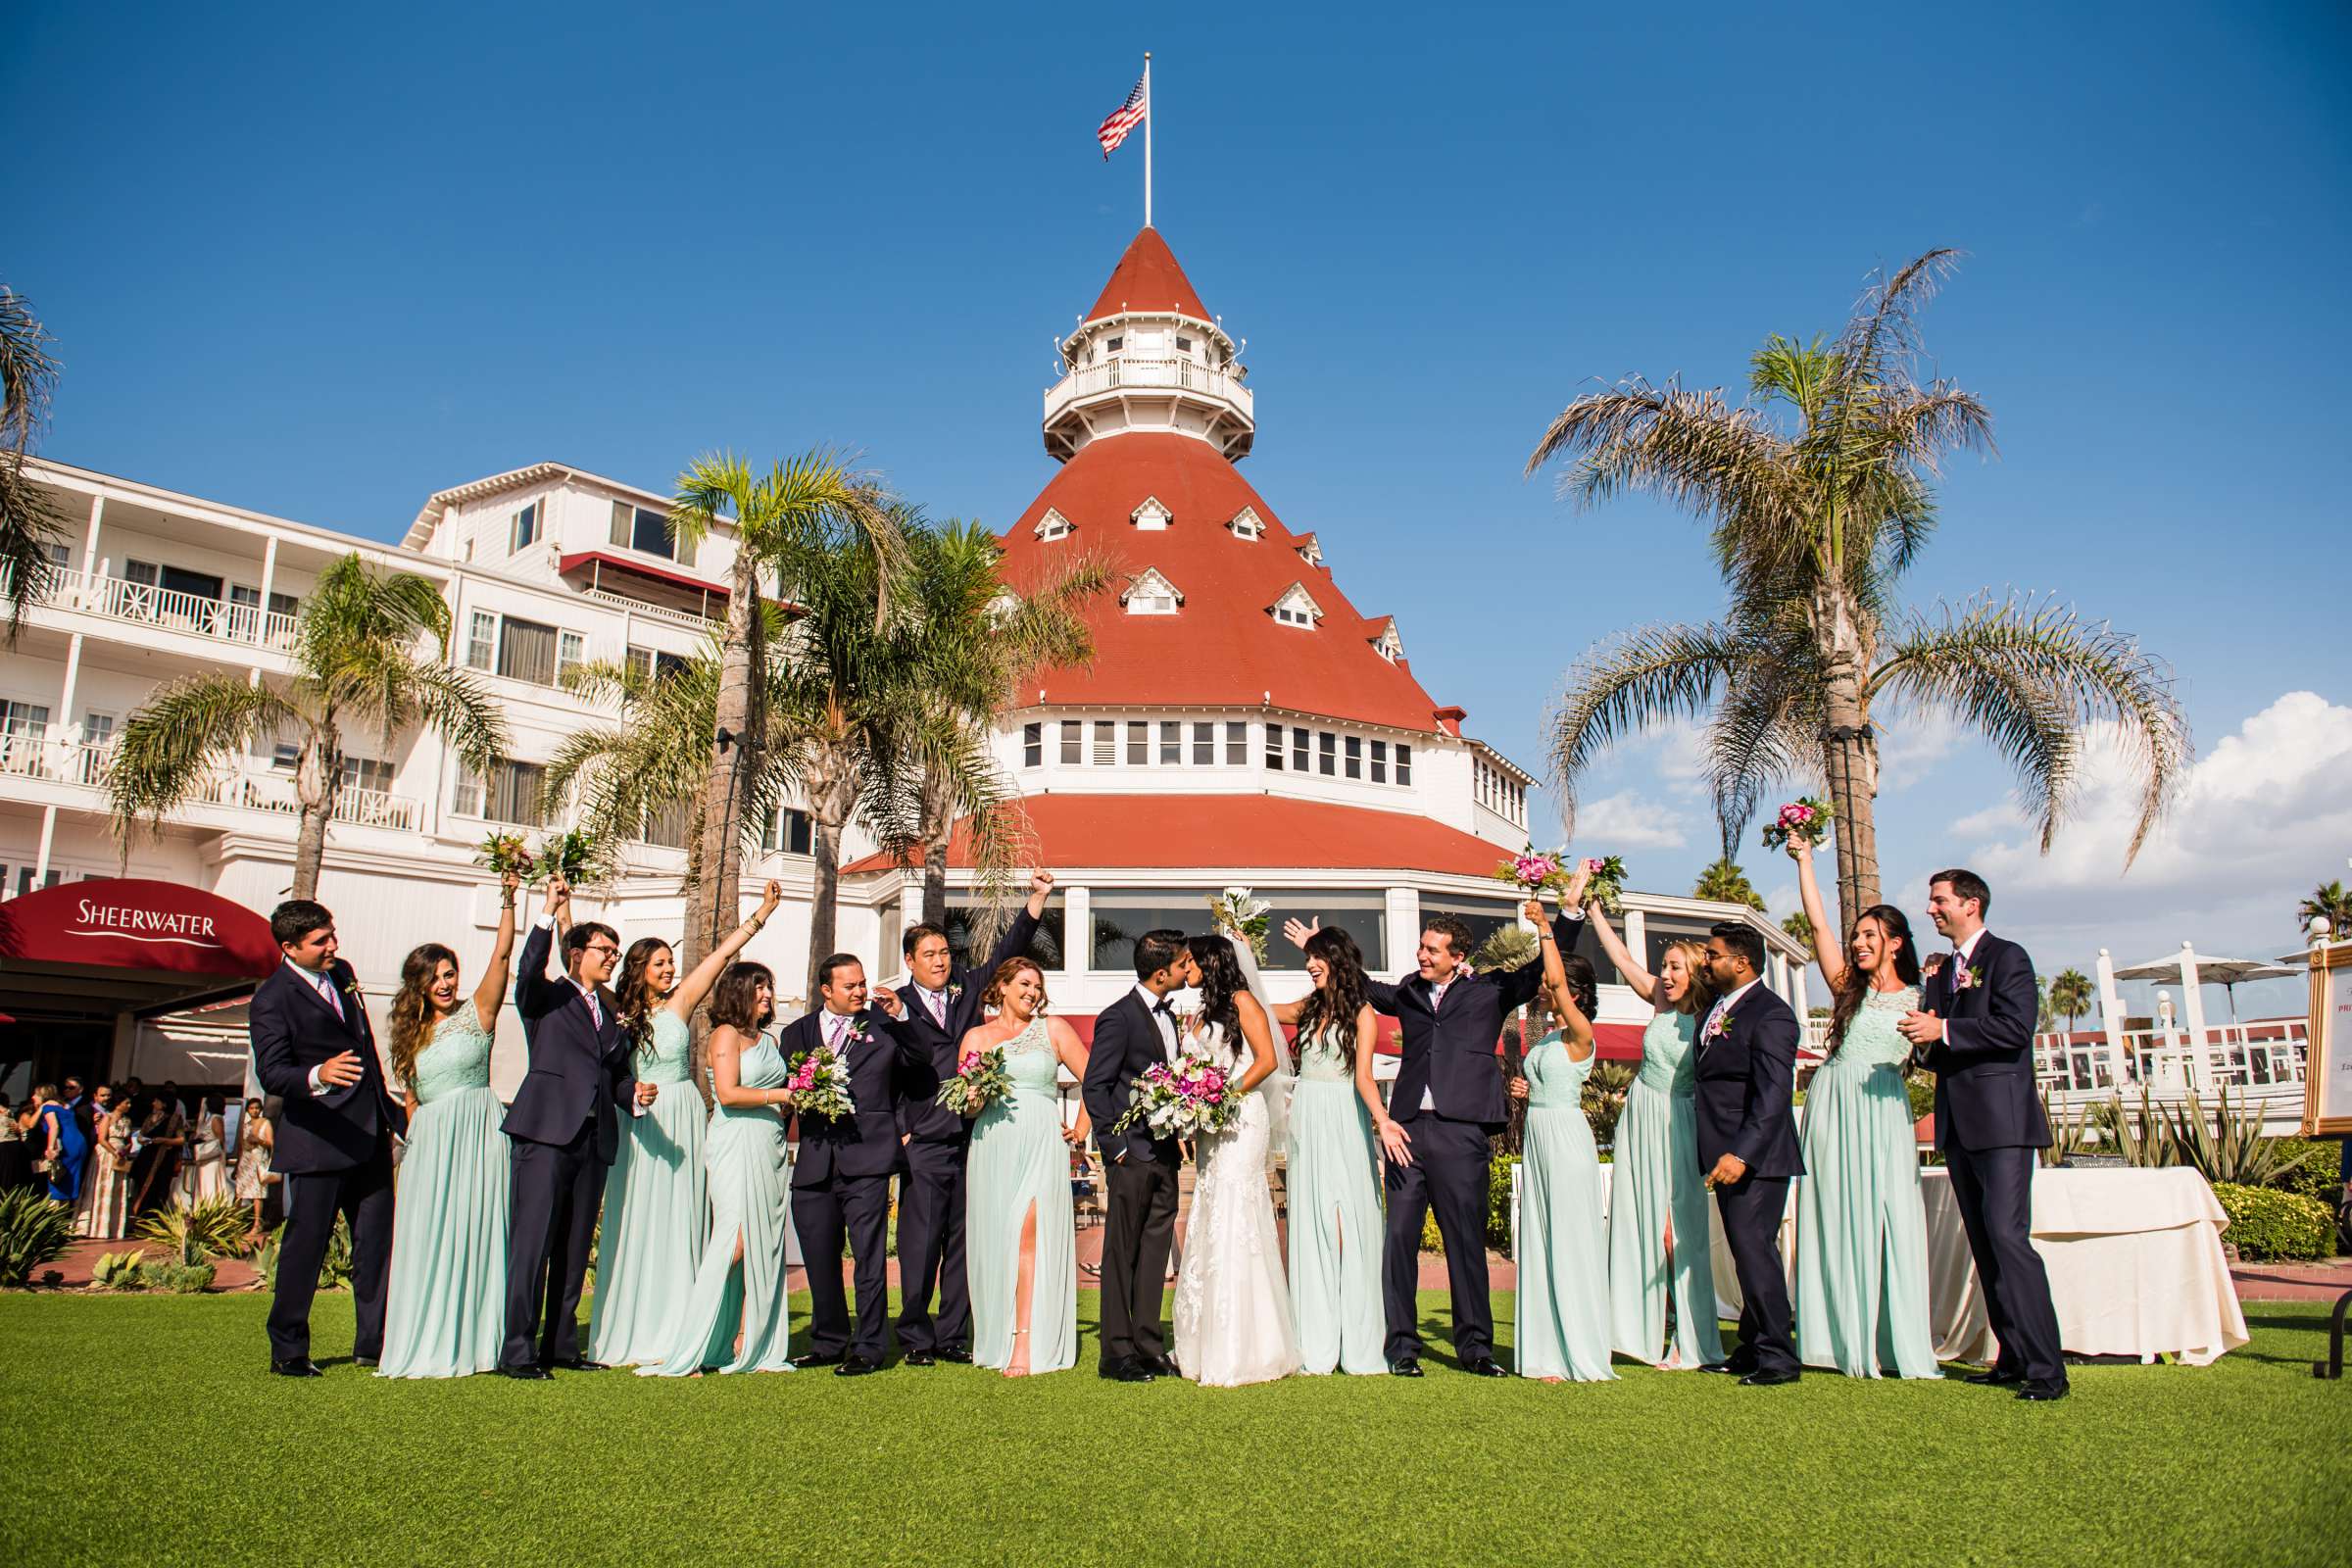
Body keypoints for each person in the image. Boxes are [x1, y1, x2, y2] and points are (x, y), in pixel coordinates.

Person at [1288, 909, 1543, 1378]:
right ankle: (1401, 1347)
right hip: (1405, 1132)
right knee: (1399, 1240)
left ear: (1458, 957)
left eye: (1431, 949)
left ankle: (1476, 1349)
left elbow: (1539, 970)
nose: (1421, 954)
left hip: (1461, 1132)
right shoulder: (1407, 990)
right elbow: (1359, 982)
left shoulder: (1489, 992)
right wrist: (1318, 948)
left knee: (1464, 1242)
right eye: (1421, 946)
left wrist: (1559, 918)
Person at [588, 879, 783, 1367]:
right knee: (639, 1217)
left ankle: (683, 1326)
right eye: (659, 963)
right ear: (638, 971)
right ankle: (635, 1328)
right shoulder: (615, 1014)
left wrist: (761, 916)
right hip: (640, 1121)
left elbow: (719, 958)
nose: (670, 968)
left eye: (669, 962)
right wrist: (565, 920)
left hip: (685, 1117)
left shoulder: (680, 1003)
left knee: (687, 1221)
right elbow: (583, 978)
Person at [1897, 868, 2067, 1401]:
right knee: (1985, 1245)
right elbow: (1936, 1049)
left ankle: (2048, 1369)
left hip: (2003, 1123)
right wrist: (1923, 1036)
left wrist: (1943, 1029)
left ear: (1971, 904)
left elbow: (2015, 1029)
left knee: (2009, 1238)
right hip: (1957, 1123)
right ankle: (2013, 1357)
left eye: (1939, 900)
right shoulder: (1944, 972)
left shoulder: (2007, 958)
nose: (1931, 910)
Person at [1785, 839, 1939, 1379]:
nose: (1857, 943)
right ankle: (1836, 1340)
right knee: (1834, 1213)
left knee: (1890, 1217)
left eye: (1869, 936)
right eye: (1857, 936)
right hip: (1832, 1105)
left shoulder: (1923, 997)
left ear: (1896, 943)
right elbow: (1819, 925)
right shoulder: (1848, 987)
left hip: (1882, 1110)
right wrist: (1806, 861)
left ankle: (1894, 1341)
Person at [890, 870, 1054, 1368]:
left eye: (944, 953)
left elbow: (1011, 950)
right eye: (930, 955)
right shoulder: (893, 1007)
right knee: (920, 1241)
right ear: (910, 962)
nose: (941, 961)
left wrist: (1037, 899)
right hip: (925, 1139)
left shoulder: (969, 987)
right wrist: (903, 1126)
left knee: (966, 1239)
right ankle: (916, 1335)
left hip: (978, 1136)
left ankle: (952, 1333)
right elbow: (886, 1074)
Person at [499, 875, 657, 1380]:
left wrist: (630, 1093)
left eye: (615, 950)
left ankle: (560, 1345)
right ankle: (517, 1351)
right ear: (576, 953)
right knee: (534, 1244)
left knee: (572, 1247)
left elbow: (611, 1075)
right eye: (603, 949)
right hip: (545, 1134)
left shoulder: (608, 1016)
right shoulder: (545, 998)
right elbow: (525, 972)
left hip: (594, 1140)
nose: (611, 956)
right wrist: (548, 909)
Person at [1567, 871, 1722, 1369]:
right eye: (1666, 967)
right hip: (1641, 1116)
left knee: (1677, 1230)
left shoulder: (1711, 1016)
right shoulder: (1657, 997)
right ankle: (1636, 1331)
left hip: (1682, 1121)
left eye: (1677, 967)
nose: (1668, 974)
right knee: (1640, 1223)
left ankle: (1689, 1335)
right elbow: (1621, 958)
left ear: (1697, 972)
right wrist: (1593, 911)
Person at [250, 898, 407, 1377]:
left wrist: (392, 1115)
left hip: (368, 1137)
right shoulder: (271, 998)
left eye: (332, 934)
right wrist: (319, 1073)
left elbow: (366, 1050)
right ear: (289, 947)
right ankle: (289, 1350)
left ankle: (373, 1344)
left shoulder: (344, 974)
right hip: (317, 1141)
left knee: (376, 1245)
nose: (333, 945)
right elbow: (272, 1073)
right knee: (306, 1247)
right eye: (321, 941)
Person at [376, 872, 523, 1378]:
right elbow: (412, 1101)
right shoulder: (407, 1036)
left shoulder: (477, 1013)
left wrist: (509, 896)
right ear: (418, 983)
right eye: (436, 976)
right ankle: (424, 1334)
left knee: (477, 1229)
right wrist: (415, 1146)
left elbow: (502, 957)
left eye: (450, 973)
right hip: (431, 1144)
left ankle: (478, 1340)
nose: (446, 983)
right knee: (428, 1236)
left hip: (479, 1135)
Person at [640, 962, 798, 1377]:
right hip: (735, 1142)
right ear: (738, 993)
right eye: (758, 988)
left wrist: (788, 1102)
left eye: (769, 987)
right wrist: (781, 1093)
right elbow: (727, 1094)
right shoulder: (725, 1035)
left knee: (764, 1242)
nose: (766, 995)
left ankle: (751, 1342)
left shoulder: (769, 1039)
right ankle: (689, 1341)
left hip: (769, 1144)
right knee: (736, 1240)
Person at [1166, 933, 1301, 1387]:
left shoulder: (1245, 1001)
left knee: (1236, 1210)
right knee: (1208, 1209)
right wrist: (1190, 1103)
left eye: (1191, 962)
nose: (1185, 969)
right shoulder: (1202, 1014)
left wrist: (1222, 1095)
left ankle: (1248, 1345)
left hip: (1241, 1118)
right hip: (1209, 1126)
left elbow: (1265, 1062)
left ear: (1210, 962)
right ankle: (1202, 1343)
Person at [781, 954, 921, 1376]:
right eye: (850, 986)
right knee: (819, 1257)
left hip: (869, 1158)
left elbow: (921, 1064)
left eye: (862, 983)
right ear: (827, 990)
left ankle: (870, 1346)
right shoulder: (796, 1034)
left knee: (868, 1257)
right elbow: (785, 1093)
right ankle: (827, 1341)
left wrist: (902, 1017)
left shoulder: (883, 1026)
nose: (861, 991)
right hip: (815, 1161)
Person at [1257, 924, 1388, 1376]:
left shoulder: (1363, 1014)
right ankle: (1315, 1340)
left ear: (1338, 961)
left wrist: (1383, 1123)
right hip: (1307, 1119)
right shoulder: (1307, 1008)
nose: (1310, 966)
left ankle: (1357, 1342)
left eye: (1318, 958)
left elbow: (1365, 1079)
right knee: (1311, 1220)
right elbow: (1258, 1009)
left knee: (1345, 1221)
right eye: (1307, 959)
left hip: (1344, 1119)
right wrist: (1238, 950)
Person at [953, 956, 1091, 1377]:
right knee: (999, 1240)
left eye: (1037, 986)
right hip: (993, 1144)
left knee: (1029, 1233)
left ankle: (1026, 1341)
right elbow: (969, 1109)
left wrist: (1081, 1128)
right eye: (1025, 985)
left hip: (1041, 1142)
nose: (1032, 993)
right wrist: (975, 1090)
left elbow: (1096, 1080)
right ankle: (996, 1333)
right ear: (1002, 987)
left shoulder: (1054, 1029)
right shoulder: (976, 1037)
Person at [1507, 902, 1616, 1383]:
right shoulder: (1549, 1040)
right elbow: (1551, 1079)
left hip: (1568, 1140)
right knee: (1541, 1236)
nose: (1545, 989)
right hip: (1538, 1138)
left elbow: (1555, 983)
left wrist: (1546, 929)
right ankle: (1546, 1351)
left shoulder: (1580, 1032)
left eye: (1554, 985)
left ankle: (1580, 1349)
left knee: (1570, 1240)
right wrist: (1527, 1088)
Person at [1693, 921, 1805, 1386]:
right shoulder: (1716, 1008)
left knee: (1755, 1251)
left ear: (1741, 963)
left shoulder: (1772, 1015)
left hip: (1756, 1157)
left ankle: (1779, 1355)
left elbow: (1774, 1094)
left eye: (1713, 955)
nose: (1706, 962)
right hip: (1724, 1152)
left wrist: (1741, 1153)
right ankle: (1752, 1345)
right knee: (1745, 1253)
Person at [1080, 928, 1191, 1383]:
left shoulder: (1172, 1016)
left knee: (1154, 1254)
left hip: (1165, 1155)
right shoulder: (1117, 1018)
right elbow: (1095, 1086)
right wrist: (1116, 1148)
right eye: (1183, 964)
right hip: (1131, 1157)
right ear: (1162, 973)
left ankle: (1148, 1345)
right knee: (1121, 1253)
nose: (1188, 970)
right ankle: (1116, 1353)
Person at [75, 1085, 130, 1240]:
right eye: (126, 1103)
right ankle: (93, 1226)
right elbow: (101, 1139)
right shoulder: (107, 1117)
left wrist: (125, 1150)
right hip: (106, 1155)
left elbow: (128, 1139)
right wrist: (115, 1152)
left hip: (120, 1156)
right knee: (101, 1186)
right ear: (119, 1104)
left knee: (116, 1189)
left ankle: (112, 1227)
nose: (129, 1106)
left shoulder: (127, 1120)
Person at [126, 1093, 186, 1217]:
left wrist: (164, 1140)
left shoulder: (175, 1119)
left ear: (164, 1104)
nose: (153, 1103)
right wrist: (142, 1140)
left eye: (156, 1101)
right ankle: (138, 1220)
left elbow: (181, 1139)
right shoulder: (150, 1117)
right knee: (142, 1187)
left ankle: (153, 1221)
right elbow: (141, 1135)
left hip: (163, 1159)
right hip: (146, 1158)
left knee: (158, 1190)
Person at [229, 1096, 273, 1248]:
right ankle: (234, 1222)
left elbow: (271, 1143)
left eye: (256, 1108)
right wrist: (237, 1166)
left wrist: (258, 1140)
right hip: (245, 1162)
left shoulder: (265, 1123)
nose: (254, 1110)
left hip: (258, 1160)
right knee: (239, 1193)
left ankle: (257, 1223)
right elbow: (241, 1147)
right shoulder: (246, 1125)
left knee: (257, 1194)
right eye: (251, 1108)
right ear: (248, 1110)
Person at [34, 1084, 88, 1203]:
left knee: (57, 1175)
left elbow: (54, 1126)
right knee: (70, 1177)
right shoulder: (66, 1105)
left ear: (42, 1096)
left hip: (66, 1144)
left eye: (36, 1094)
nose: (33, 1097)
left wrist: (50, 1148)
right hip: (79, 1143)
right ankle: (66, 1211)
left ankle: (54, 1212)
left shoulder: (48, 1106)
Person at [186, 1094, 228, 1201]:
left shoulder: (216, 1119)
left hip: (211, 1159)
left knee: (209, 1186)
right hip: (206, 1160)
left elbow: (220, 1140)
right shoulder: (210, 1118)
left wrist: (201, 1141)